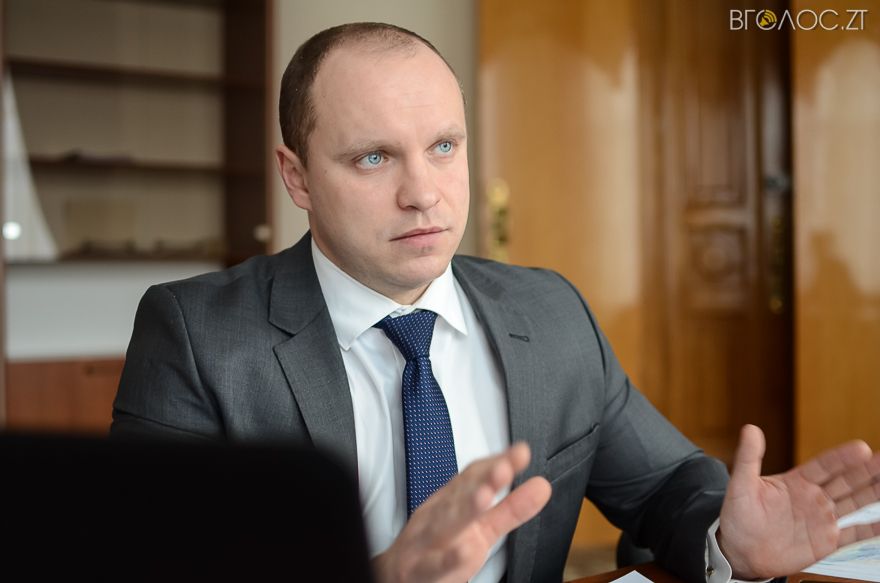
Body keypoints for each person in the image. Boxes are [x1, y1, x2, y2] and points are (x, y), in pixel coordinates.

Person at [111, 22, 880, 583]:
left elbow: (662, 485)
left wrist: (729, 540)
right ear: (297, 176)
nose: (423, 193)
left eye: (444, 146)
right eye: (374, 157)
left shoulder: (550, 310)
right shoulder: (197, 334)